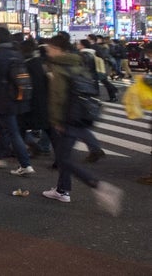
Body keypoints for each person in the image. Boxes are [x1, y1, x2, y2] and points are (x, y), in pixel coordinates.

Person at [42, 34, 123, 215]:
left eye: (49, 48)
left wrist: (56, 121)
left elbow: (57, 97)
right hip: (81, 114)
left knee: (63, 159)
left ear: (56, 49)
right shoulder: (78, 61)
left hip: (67, 118)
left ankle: (98, 186)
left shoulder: (59, 67)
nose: (48, 51)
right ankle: (62, 190)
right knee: (64, 156)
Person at [0, 26, 35, 177]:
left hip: (4, 97)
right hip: (19, 95)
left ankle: (25, 164)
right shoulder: (16, 52)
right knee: (3, 125)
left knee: (12, 131)